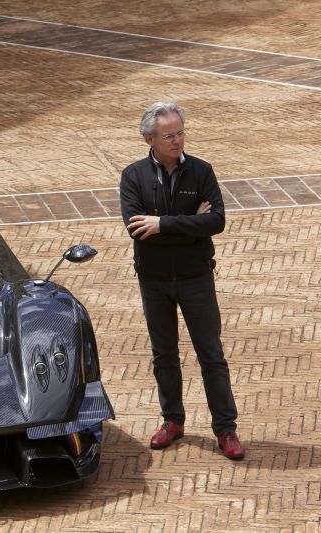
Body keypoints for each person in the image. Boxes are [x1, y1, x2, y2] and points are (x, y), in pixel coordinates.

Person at [119, 101, 245, 460]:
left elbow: (216, 221)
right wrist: (191, 223)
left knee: (211, 355)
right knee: (164, 356)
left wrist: (162, 224)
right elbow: (136, 229)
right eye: (169, 136)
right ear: (150, 138)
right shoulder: (133, 176)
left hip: (196, 279)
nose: (177, 141)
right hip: (154, 280)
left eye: (181, 133)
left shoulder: (202, 171)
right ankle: (172, 421)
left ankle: (226, 429)